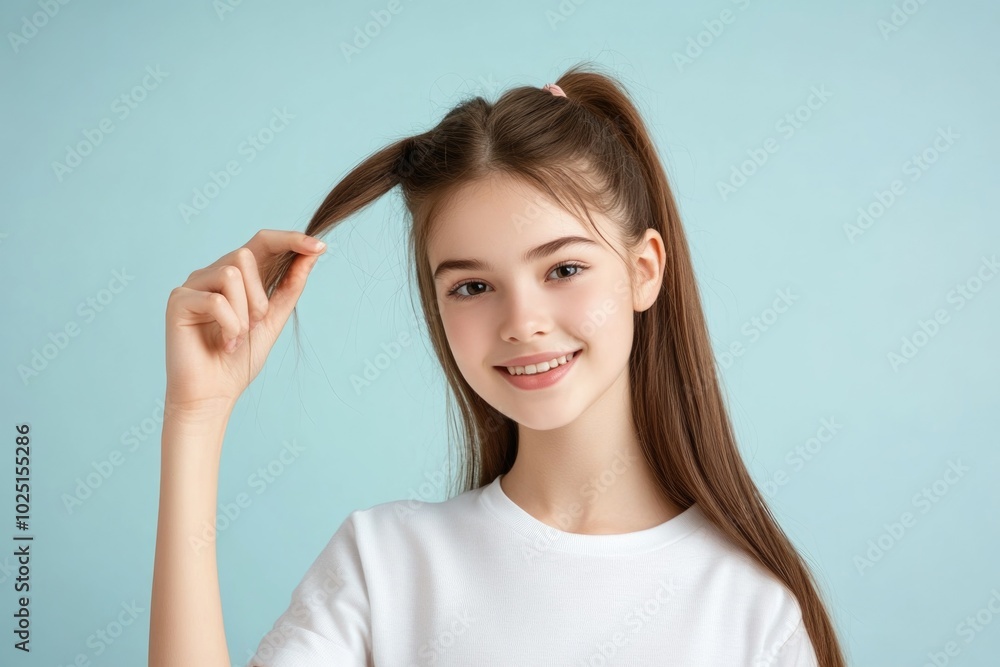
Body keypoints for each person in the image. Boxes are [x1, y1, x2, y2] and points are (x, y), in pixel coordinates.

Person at [149, 63, 847, 666]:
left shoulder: (750, 609)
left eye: (564, 267)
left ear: (644, 270)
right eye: (472, 286)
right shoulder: (386, 565)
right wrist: (196, 417)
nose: (522, 322)